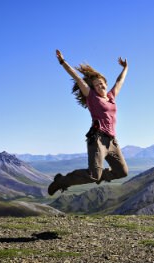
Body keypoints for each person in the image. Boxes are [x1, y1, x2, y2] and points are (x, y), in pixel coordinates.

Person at [48, 50, 129, 195]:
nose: (100, 86)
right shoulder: (91, 97)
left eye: (102, 84)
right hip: (97, 139)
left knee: (122, 172)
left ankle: (100, 175)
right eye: (96, 85)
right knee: (93, 175)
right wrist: (62, 62)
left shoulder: (111, 96)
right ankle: (61, 181)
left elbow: (119, 82)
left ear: (105, 83)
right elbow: (77, 78)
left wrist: (125, 68)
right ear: (93, 88)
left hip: (112, 141)